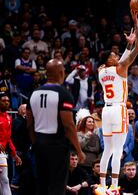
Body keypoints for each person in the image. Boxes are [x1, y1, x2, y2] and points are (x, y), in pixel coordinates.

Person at [96, 9, 138, 194]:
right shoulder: (120, 69)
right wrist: (136, 24)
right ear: (109, 60)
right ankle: (114, 187)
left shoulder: (101, 71)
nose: (116, 56)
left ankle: (101, 184)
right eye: (113, 55)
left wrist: (126, 47)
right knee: (118, 149)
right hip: (119, 110)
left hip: (105, 111)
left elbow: (122, 59)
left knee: (107, 149)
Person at [26, 59, 85, 195]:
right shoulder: (63, 94)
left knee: (42, 184)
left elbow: (29, 124)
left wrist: (36, 143)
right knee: (57, 186)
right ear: (61, 72)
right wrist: (78, 150)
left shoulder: (33, 94)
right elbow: (69, 126)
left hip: (39, 145)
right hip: (58, 147)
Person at [0, 92, 22, 195]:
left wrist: (15, 154)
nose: (6, 103)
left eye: (8, 101)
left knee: (4, 179)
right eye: (3, 101)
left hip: (1, 153)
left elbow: (8, 139)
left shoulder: (9, 118)